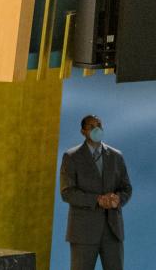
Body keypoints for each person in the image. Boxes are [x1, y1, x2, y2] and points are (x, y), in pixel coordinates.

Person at [59, 114, 132, 270]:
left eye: (99, 126)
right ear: (82, 131)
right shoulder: (71, 157)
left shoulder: (116, 156)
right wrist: (97, 200)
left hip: (113, 231)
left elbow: (126, 188)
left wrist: (117, 199)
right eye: (91, 127)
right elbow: (67, 192)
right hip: (83, 232)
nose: (96, 129)